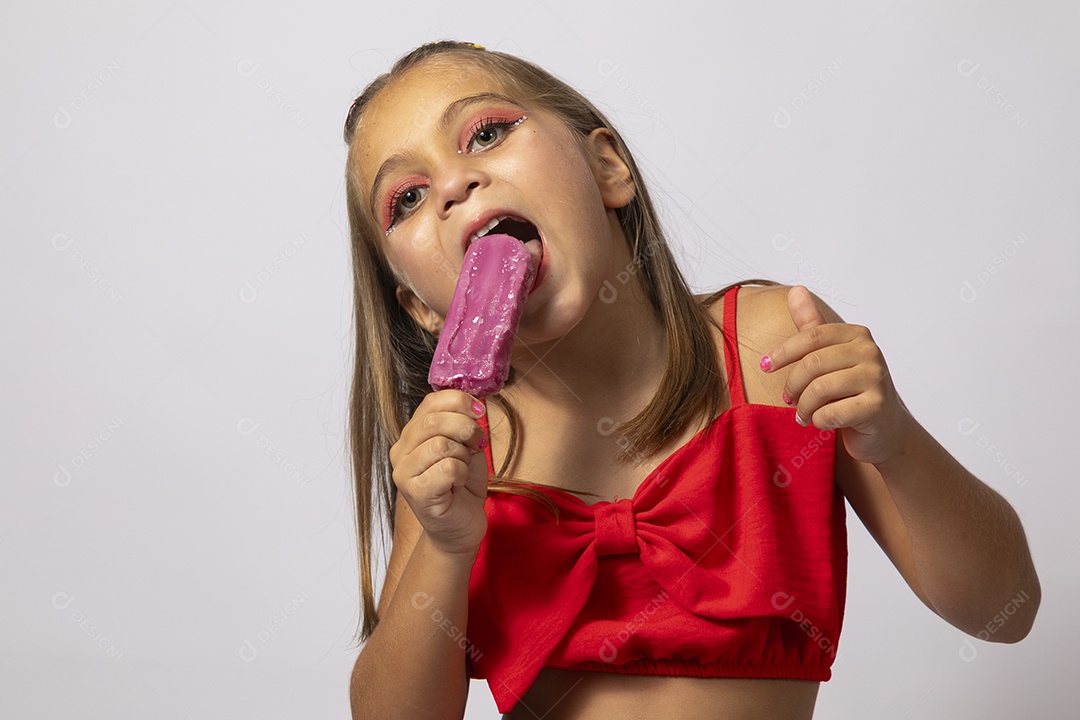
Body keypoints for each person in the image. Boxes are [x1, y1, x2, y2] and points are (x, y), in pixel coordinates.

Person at [341, 40, 1040, 720]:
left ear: (608, 168)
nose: (454, 185)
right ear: (426, 311)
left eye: (487, 133)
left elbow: (1004, 610)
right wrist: (444, 545)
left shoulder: (771, 349)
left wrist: (894, 442)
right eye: (405, 198)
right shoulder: (459, 455)